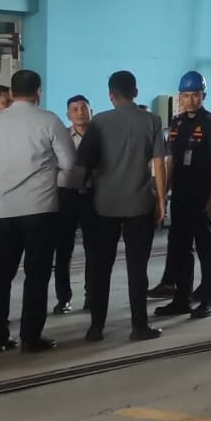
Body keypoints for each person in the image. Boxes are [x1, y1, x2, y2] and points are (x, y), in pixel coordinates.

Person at [0, 70, 75, 353]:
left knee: (1, 276)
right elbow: (69, 163)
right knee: (36, 275)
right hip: (40, 208)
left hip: (5, 210)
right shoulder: (49, 120)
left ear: (11, 92)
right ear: (38, 92)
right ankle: (30, 337)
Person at [74, 71, 167, 342]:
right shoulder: (152, 120)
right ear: (135, 92)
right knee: (137, 268)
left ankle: (96, 328)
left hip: (104, 206)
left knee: (101, 268)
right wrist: (161, 200)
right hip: (139, 204)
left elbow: (82, 164)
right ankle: (139, 326)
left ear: (110, 95)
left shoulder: (99, 122)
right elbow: (159, 164)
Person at [157, 71, 211, 321]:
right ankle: (181, 298)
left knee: (206, 248)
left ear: (203, 96)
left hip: (202, 194)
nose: (190, 100)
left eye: (195, 95)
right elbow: (171, 160)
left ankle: (209, 299)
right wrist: (163, 194)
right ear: (180, 97)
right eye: (186, 95)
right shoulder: (176, 123)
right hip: (181, 195)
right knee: (180, 247)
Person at [53, 94, 93, 315]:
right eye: (75, 109)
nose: (80, 113)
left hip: (92, 196)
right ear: (68, 115)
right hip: (66, 196)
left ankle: (91, 296)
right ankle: (63, 298)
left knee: (93, 248)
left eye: (83, 108)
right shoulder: (62, 138)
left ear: (91, 111)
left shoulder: (99, 136)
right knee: (63, 249)